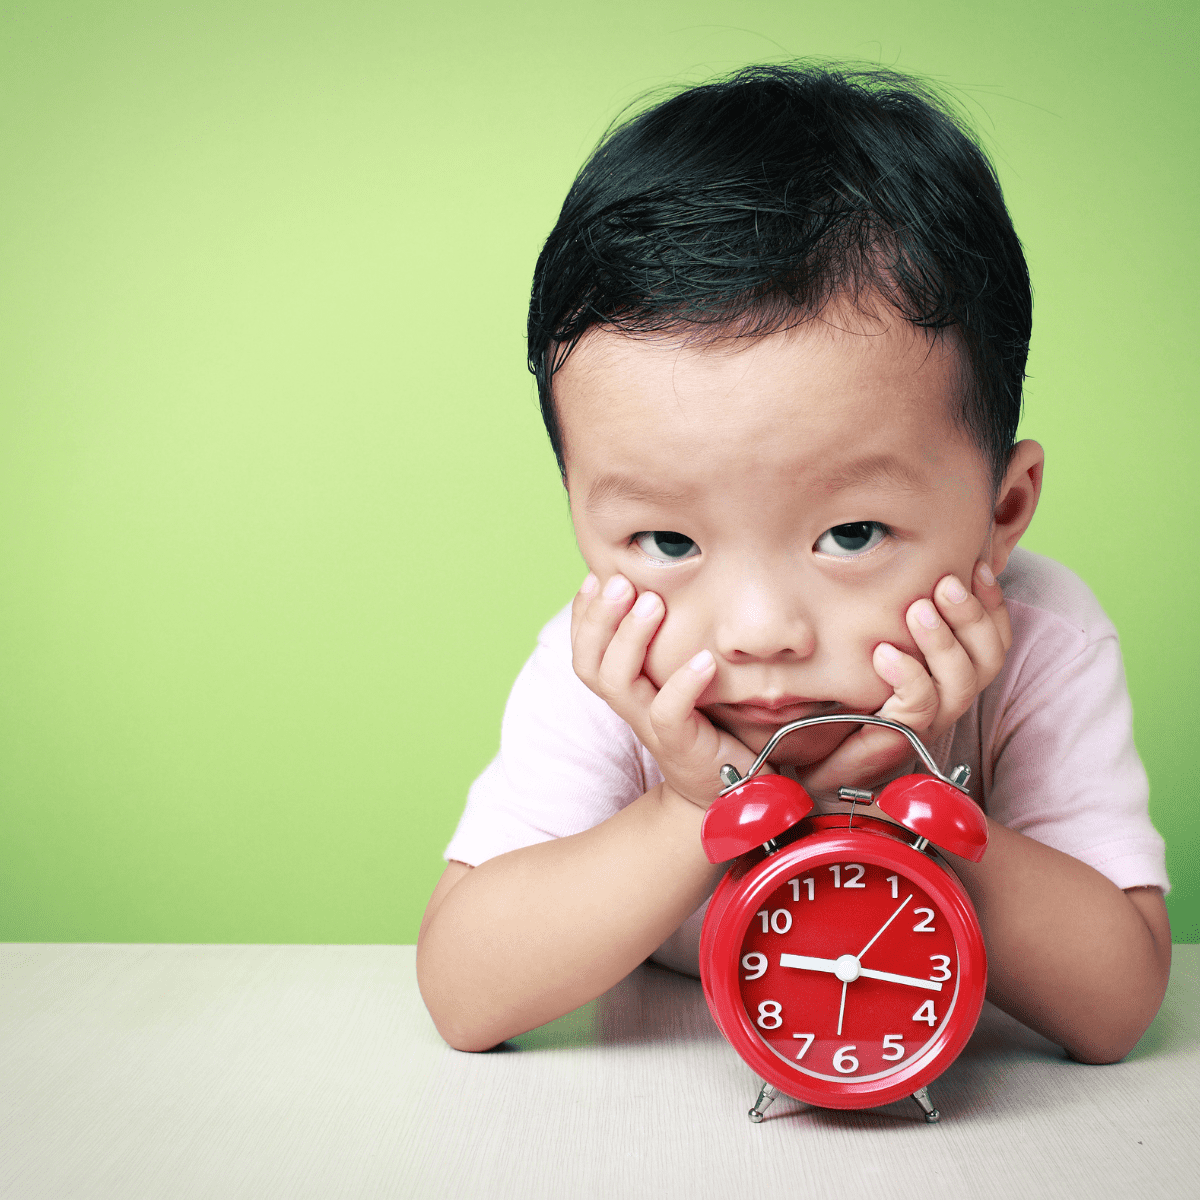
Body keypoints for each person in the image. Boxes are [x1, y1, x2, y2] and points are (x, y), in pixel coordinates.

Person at [416, 63, 1171, 1063]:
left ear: (1004, 510)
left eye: (850, 535)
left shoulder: (1042, 643)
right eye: (669, 541)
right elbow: (466, 998)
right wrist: (705, 805)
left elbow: (1115, 1012)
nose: (759, 629)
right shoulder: (613, 670)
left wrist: (910, 792)